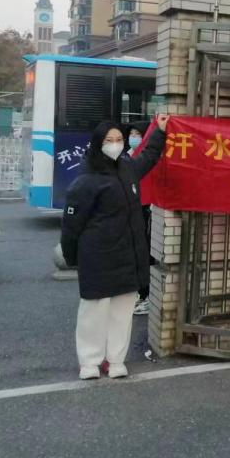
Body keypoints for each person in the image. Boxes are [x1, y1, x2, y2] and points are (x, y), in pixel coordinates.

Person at [61, 115, 168, 380]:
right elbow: (71, 226)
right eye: (109, 140)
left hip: (127, 254)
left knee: (123, 310)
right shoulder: (86, 179)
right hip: (97, 255)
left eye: (119, 139)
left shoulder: (127, 167)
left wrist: (160, 131)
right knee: (93, 311)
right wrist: (72, 257)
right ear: (98, 143)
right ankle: (89, 361)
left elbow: (148, 157)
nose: (116, 144)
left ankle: (115, 359)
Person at [125, 122, 153, 316]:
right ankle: (139, 293)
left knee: (145, 254)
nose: (133, 137)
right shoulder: (127, 155)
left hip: (146, 209)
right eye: (132, 134)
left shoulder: (147, 158)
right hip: (132, 209)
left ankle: (146, 296)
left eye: (138, 134)